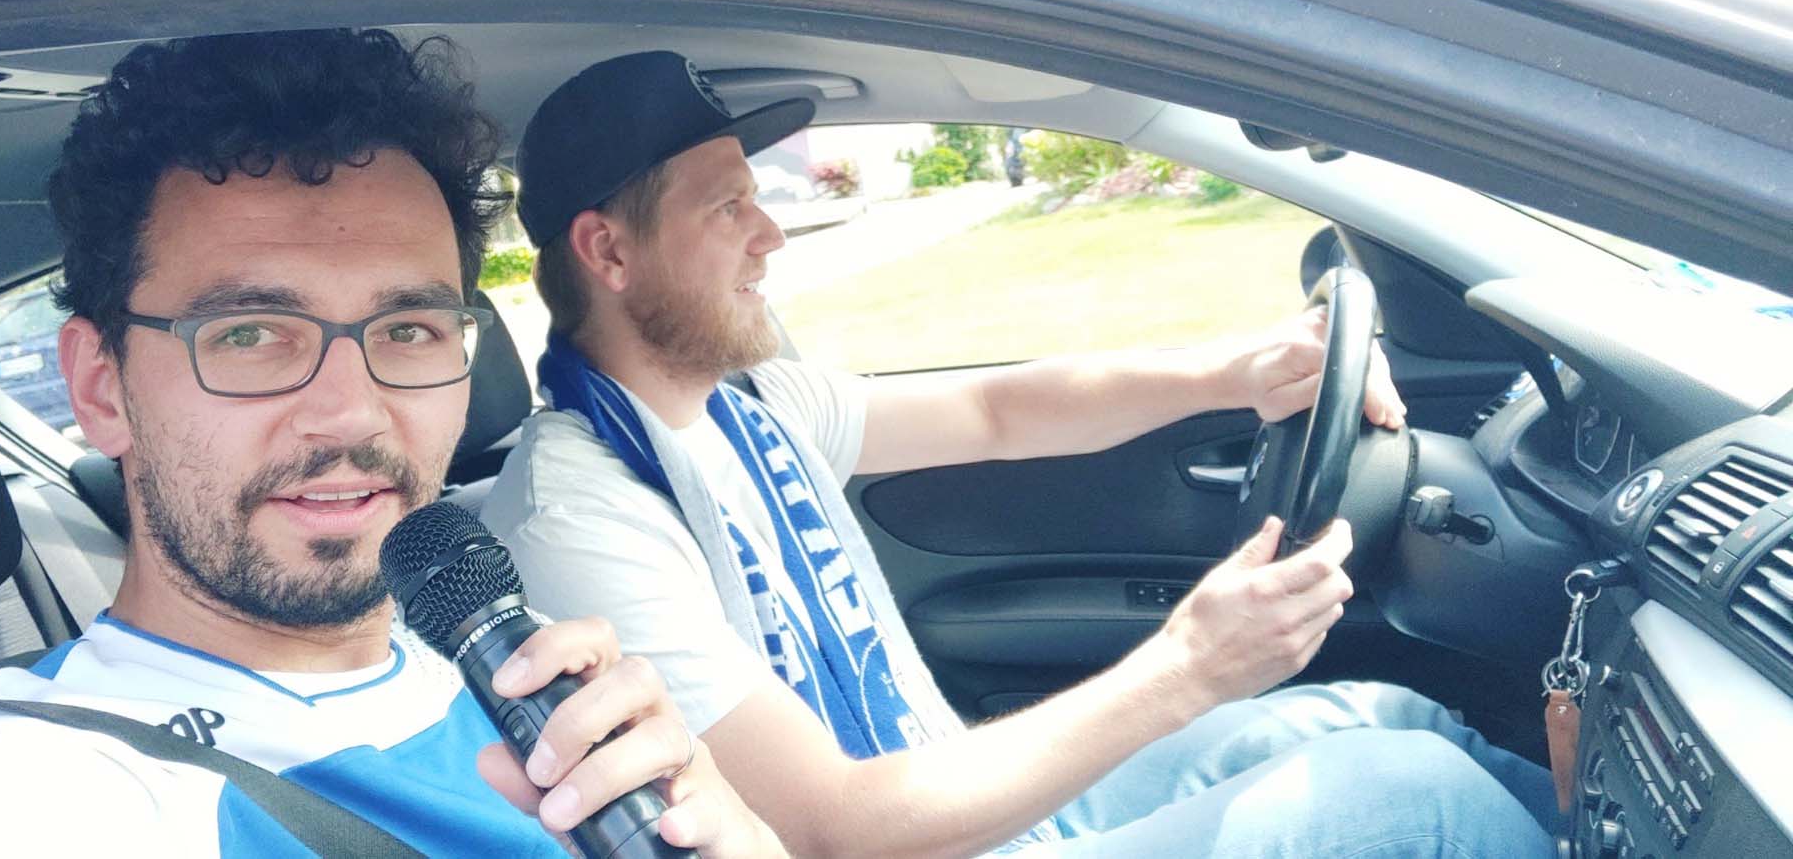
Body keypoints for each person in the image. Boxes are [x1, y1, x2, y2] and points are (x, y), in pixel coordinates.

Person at [482, 50, 1561, 857]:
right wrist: (1190, 664)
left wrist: (1235, 371)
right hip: (886, 841)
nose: (770, 233)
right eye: (729, 207)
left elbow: (998, 411)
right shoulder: (578, 516)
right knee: (1412, 800)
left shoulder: (747, 403)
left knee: (1380, 715)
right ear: (608, 250)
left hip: (946, 806)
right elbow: (828, 828)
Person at [0, 32, 783, 856]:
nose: (351, 413)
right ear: (102, 388)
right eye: (248, 334)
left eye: (408, 329)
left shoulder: (532, 682)